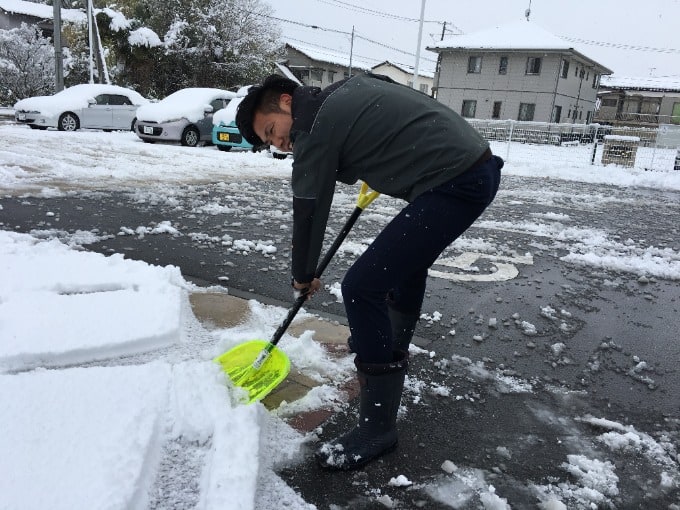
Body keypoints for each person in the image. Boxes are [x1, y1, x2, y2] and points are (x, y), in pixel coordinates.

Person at [236, 73, 502, 470]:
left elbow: (308, 208)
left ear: (287, 102)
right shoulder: (341, 92)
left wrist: (303, 275)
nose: (280, 144)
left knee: (362, 287)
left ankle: (377, 427)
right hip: (464, 170)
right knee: (404, 270)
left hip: (456, 182)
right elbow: (386, 98)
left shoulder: (314, 126)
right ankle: (387, 352)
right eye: (270, 143)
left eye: (273, 130)